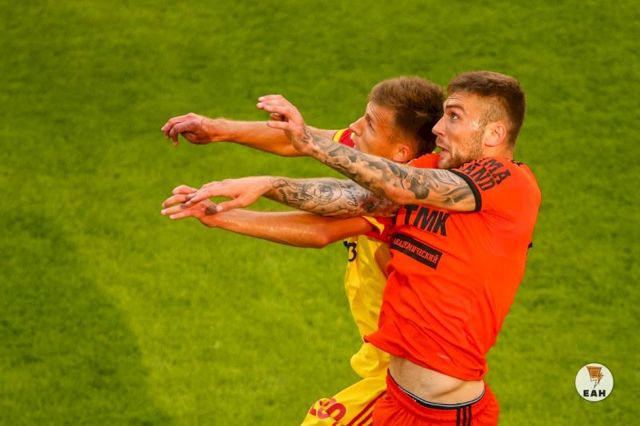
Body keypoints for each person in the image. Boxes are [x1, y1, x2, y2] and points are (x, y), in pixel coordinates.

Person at [179, 71, 541, 425]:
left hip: (444, 415)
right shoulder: (429, 168)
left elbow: (397, 185)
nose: (437, 129)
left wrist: (309, 144)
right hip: (396, 403)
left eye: (454, 117)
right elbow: (353, 198)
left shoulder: (509, 182)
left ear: (494, 133)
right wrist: (266, 185)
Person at [160, 77, 445, 425]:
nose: (353, 128)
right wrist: (218, 129)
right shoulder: (384, 157)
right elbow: (303, 139)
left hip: (408, 380)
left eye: (369, 123)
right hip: (390, 366)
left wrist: (222, 215)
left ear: (400, 153)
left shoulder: (406, 200)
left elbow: (322, 230)